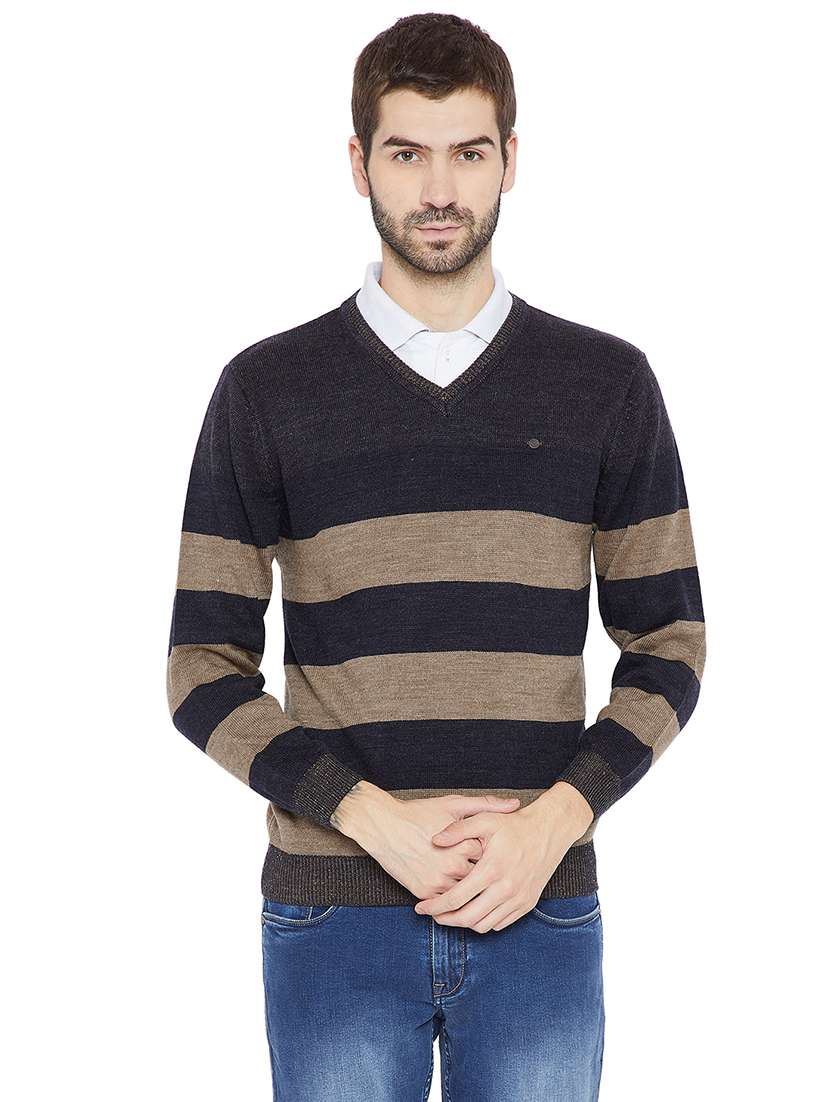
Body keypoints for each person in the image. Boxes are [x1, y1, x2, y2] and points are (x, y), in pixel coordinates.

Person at [166, 12, 706, 1100]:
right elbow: (200, 669)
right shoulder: (267, 391)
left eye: (468, 151)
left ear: (511, 159)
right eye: (407, 153)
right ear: (358, 162)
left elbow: (669, 644)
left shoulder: (605, 385)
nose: (440, 189)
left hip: (541, 905)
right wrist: (368, 818)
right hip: (332, 914)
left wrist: (556, 820)